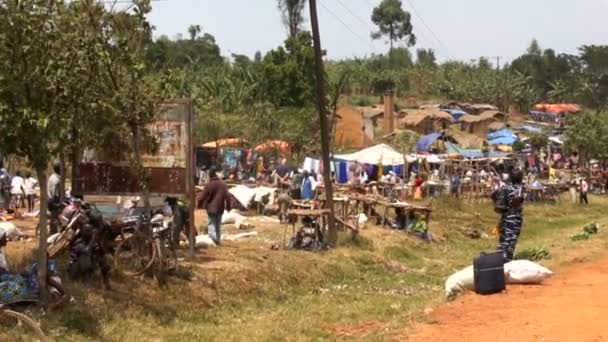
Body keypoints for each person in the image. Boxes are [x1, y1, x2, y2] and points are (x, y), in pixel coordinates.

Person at [493, 170, 525, 261]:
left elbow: (494, 195)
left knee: (503, 238)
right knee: (511, 238)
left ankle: (498, 258)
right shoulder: (519, 188)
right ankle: (506, 259)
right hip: (514, 217)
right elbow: (518, 200)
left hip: (505, 216)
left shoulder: (505, 188)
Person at [199, 168, 231, 245]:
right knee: (218, 224)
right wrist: (229, 206)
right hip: (220, 207)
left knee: (211, 223)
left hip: (211, 208)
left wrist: (199, 205)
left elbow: (202, 196)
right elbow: (228, 196)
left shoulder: (209, 185)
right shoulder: (223, 184)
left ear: (210, 176)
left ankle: (213, 240)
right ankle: (218, 239)